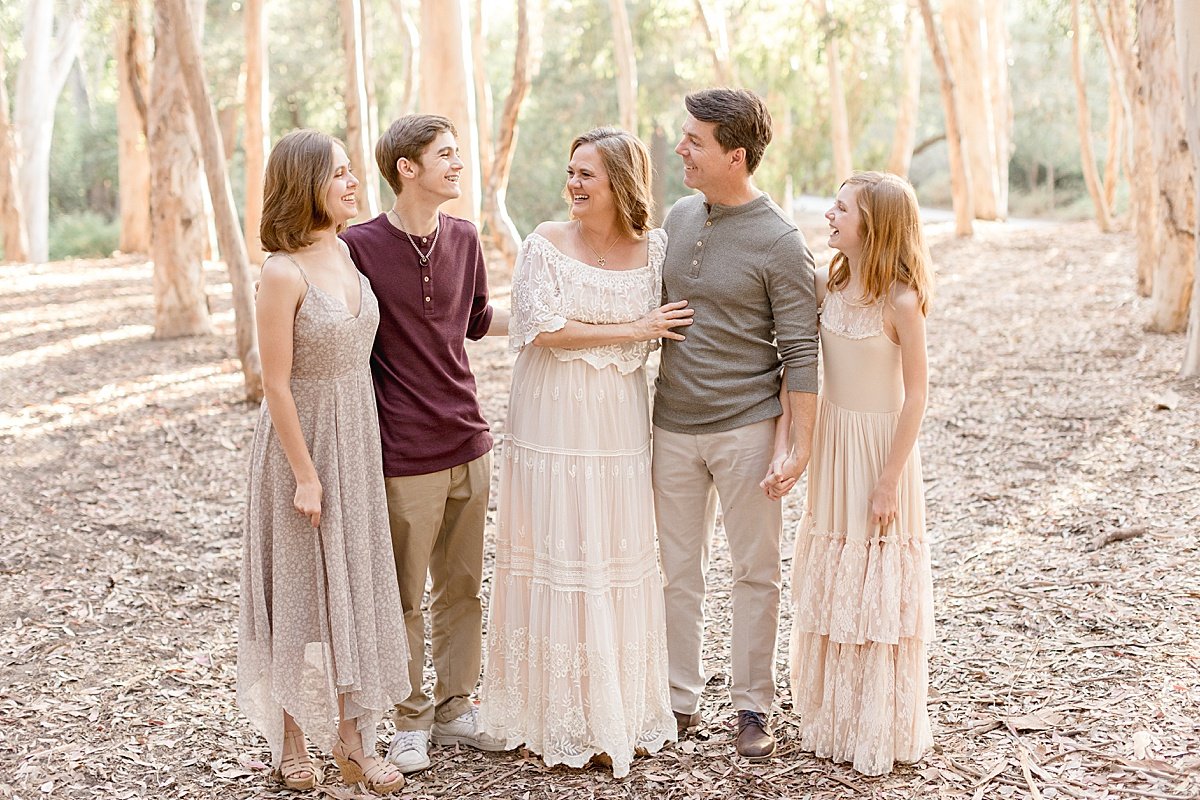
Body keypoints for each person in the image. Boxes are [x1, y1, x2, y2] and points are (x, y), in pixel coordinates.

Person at [477, 127, 691, 778]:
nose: (572, 184)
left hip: (618, 427)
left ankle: (613, 714)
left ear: (620, 183)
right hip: (550, 421)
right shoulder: (543, 243)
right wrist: (635, 327)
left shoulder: (655, 250)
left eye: (586, 175)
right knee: (555, 549)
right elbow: (543, 328)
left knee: (611, 551)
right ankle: (551, 717)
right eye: (570, 172)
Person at [237, 129, 409, 794]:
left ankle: (352, 739)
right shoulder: (282, 272)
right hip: (298, 449)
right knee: (297, 593)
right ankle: (289, 742)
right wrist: (306, 474)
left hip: (356, 443)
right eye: (339, 173)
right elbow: (275, 382)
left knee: (353, 590)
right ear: (305, 183)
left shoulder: (345, 252)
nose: (352, 182)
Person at [651, 88, 819, 761]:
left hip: (747, 426)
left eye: (695, 140)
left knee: (755, 570)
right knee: (676, 570)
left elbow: (801, 349)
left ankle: (753, 705)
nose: (681, 148)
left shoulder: (781, 241)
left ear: (736, 155)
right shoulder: (679, 215)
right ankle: (675, 700)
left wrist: (798, 445)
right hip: (671, 424)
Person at [339, 114, 509, 774]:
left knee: (464, 586)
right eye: (445, 155)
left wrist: (570, 324)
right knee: (406, 595)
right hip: (404, 451)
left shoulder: (465, 238)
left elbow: (475, 322)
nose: (458, 164)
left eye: (458, 154)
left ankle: (455, 707)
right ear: (407, 168)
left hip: (469, 437)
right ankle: (408, 719)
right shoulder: (359, 246)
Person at [783, 171, 934, 776]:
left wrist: (888, 479)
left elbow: (918, 394)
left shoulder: (902, 301)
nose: (830, 216)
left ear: (873, 225)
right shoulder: (828, 284)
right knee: (836, 574)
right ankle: (833, 719)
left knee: (876, 586)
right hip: (835, 446)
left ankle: (877, 723)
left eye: (841, 209)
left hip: (880, 453)